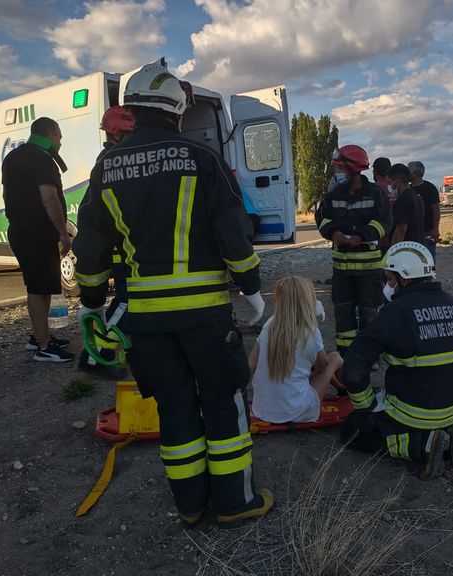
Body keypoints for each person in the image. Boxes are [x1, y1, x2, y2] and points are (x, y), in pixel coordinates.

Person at [73, 62, 272, 528]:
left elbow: (92, 242)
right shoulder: (201, 158)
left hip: (145, 320)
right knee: (224, 403)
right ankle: (234, 503)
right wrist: (252, 289)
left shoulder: (107, 166)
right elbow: (232, 230)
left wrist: (89, 300)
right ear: (177, 109)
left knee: (175, 407)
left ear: (132, 108)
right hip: (205, 314)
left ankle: (189, 506)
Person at [340, 241, 453, 479]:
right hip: (451, 410)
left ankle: (424, 445)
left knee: (354, 429)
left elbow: (353, 369)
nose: (388, 285)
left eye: (390, 279)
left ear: (403, 277)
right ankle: (445, 435)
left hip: (411, 413)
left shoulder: (396, 313)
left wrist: (366, 407)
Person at [2, 116, 74, 363]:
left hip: (20, 231)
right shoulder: (42, 159)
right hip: (37, 233)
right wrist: (63, 234)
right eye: (60, 136)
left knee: (40, 287)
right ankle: (44, 347)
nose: (61, 141)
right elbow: (49, 198)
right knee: (38, 289)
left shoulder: (13, 156)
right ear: (51, 134)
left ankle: (38, 337)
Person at [315, 145, 391, 354]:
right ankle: (346, 357)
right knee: (343, 315)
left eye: (340, 169)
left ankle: (368, 356)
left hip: (368, 271)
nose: (337, 174)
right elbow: (321, 218)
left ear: (353, 169)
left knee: (369, 314)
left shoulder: (375, 194)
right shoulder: (333, 195)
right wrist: (332, 231)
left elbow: (385, 222)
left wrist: (362, 236)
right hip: (341, 272)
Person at [78, 106, 135, 375]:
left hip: (123, 249)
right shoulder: (111, 164)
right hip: (119, 251)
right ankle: (95, 358)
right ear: (117, 135)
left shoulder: (111, 161)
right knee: (126, 303)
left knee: (126, 303)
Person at [249, 276, 343, 424]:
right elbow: (322, 367)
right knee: (335, 358)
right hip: (296, 411)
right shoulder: (311, 332)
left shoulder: (269, 325)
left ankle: (340, 386)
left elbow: (252, 365)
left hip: (262, 408)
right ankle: (344, 388)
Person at [408, 161, 440, 263]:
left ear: (416, 173)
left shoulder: (430, 188)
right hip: (411, 232)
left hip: (427, 231)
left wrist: (435, 229)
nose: (406, 173)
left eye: (408, 171)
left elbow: (436, 210)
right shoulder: (407, 189)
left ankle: (429, 278)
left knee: (428, 259)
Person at [388, 163, 425, 246]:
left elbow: (401, 230)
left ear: (397, 181)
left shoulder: (403, 200)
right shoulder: (416, 197)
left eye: (389, 182)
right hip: (417, 246)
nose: (389, 186)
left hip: (405, 249)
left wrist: (393, 252)